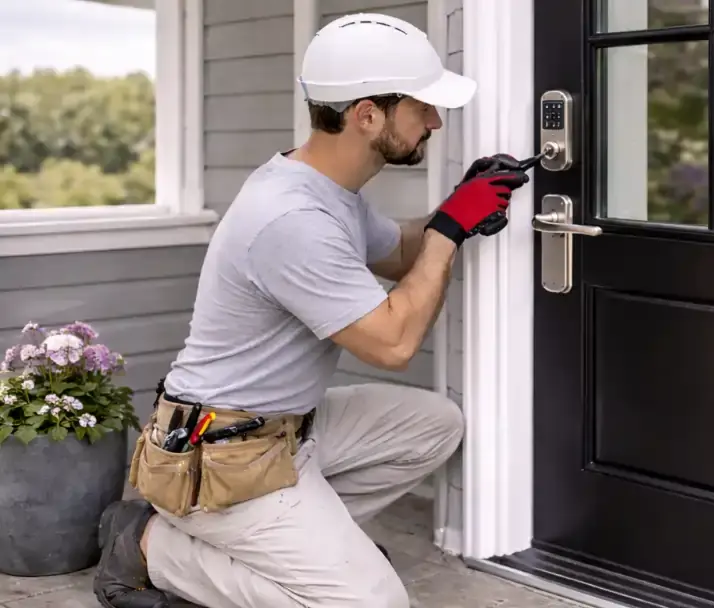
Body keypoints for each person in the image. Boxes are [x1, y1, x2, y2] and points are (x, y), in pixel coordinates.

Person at [93, 12, 529, 608]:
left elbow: (403, 252)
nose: (435, 120)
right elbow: (394, 343)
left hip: (287, 432)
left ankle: (302, 550)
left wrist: (458, 209)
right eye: (423, 106)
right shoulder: (292, 218)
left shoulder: (324, 189)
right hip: (222, 458)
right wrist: (450, 231)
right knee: (374, 605)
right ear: (367, 114)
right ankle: (150, 545)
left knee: (435, 425)